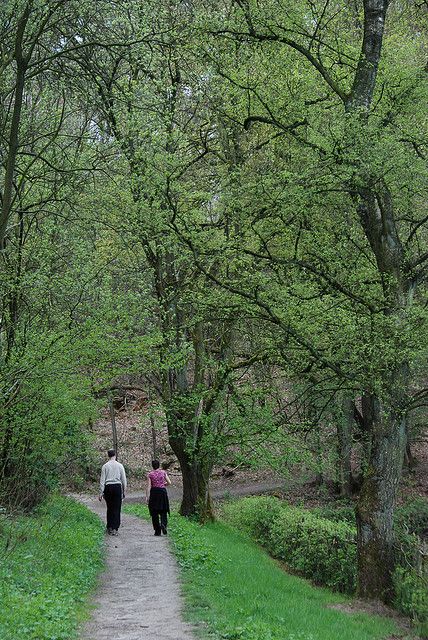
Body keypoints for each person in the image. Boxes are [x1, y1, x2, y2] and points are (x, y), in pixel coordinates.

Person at [99, 449, 127, 536]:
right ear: (115, 455)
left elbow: (102, 480)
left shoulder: (105, 466)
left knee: (110, 507)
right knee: (117, 508)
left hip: (108, 487)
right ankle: (115, 528)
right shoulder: (120, 465)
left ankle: (109, 526)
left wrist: (101, 492)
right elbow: (124, 479)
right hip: (117, 487)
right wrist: (124, 490)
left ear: (108, 455)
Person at [146, 459, 171, 536]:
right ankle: (163, 524)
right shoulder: (163, 473)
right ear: (159, 465)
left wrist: (147, 497)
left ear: (152, 466)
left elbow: (149, 487)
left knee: (154, 512)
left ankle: (157, 530)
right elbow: (169, 482)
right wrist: (163, 484)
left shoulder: (150, 474)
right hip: (162, 492)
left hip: (154, 493)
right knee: (163, 510)